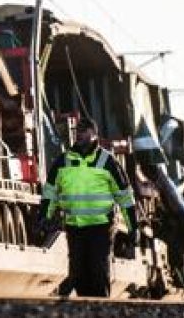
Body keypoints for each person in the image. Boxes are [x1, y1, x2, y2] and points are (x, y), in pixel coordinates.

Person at [39, 117, 137, 297]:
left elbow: (124, 196)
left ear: (94, 134)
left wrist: (133, 227)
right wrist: (44, 217)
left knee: (98, 272)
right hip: (74, 227)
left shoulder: (108, 161)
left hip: (101, 227)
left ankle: (100, 308)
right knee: (79, 273)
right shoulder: (63, 161)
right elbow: (50, 192)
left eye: (83, 131)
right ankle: (86, 308)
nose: (79, 134)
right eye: (77, 131)